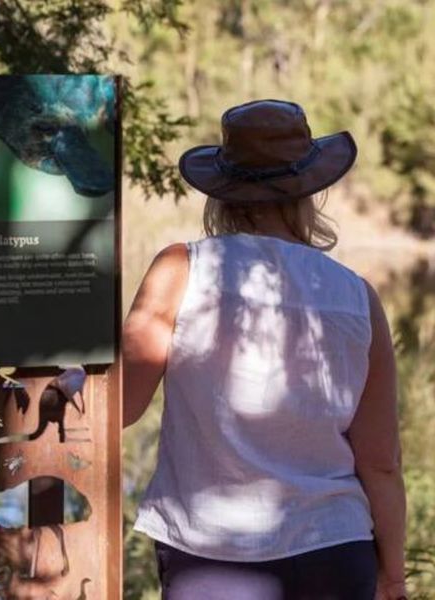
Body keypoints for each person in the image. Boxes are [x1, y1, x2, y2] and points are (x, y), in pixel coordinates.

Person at [123, 100, 407, 600]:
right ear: (309, 193)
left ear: (222, 193)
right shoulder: (358, 297)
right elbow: (381, 461)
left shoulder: (181, 270)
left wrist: (61, 376)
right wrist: (392, 575)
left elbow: (119, 405)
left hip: (211, 554)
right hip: (336, 549)